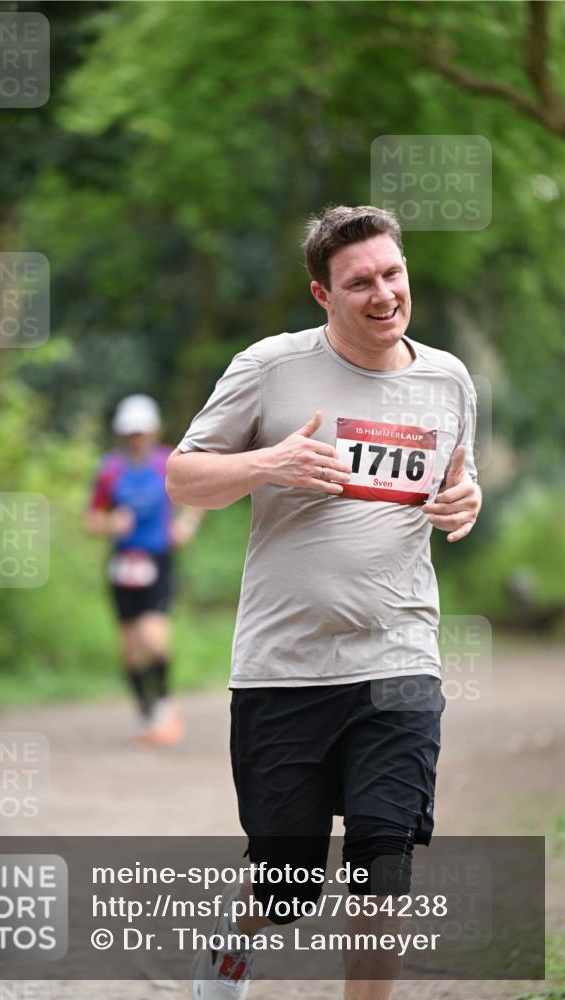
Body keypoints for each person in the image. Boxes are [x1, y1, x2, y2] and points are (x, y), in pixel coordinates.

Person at [166, 206, 482, 999]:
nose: (382, 294)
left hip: (397, 659)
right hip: (284, 669)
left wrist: (465, 500)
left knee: (383, 873)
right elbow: (183, 477)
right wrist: (268, 462)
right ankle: (224, 965)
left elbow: (458, 480)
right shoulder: (269, 369)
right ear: (322, 293)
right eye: (358, 282)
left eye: (391, 273)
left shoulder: (447, 379)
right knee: (285, 891)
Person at [85, 394, 202, 746]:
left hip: (158, 560)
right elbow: (91, 519)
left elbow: (199, 493)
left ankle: (165, 703)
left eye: (142, 431)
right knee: (130, 647)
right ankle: (147, 712)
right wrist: (110, 524)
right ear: (122, 433)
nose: (136, 437)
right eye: (130, 432)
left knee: (153, 636)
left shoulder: (169, 461)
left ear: (154, 430)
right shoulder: (109, 469)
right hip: (122, 564)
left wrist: (187, 524)